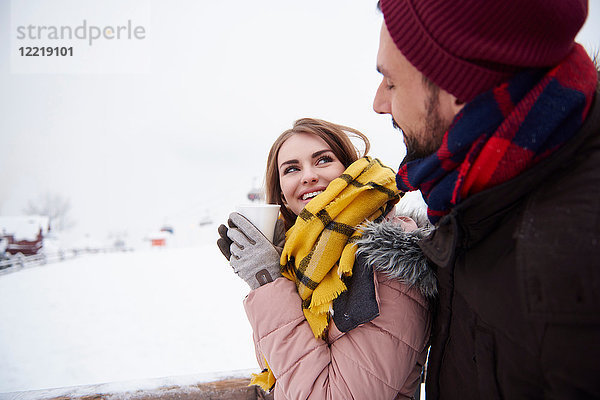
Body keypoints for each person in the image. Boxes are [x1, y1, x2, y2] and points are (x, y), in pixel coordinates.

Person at [373, 0, 600, 399]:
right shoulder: (475, 187)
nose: (379, 103)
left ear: (460, 88)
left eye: (391, 83)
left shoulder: (568, 274)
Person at [217, 118, 437, 399]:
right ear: (283, 196)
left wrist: (267, 282)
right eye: (292, 169)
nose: (308, 176)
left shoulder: (385, 262)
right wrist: (276, 276)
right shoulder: (300, 265)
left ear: (350, 169)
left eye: (323, 160)